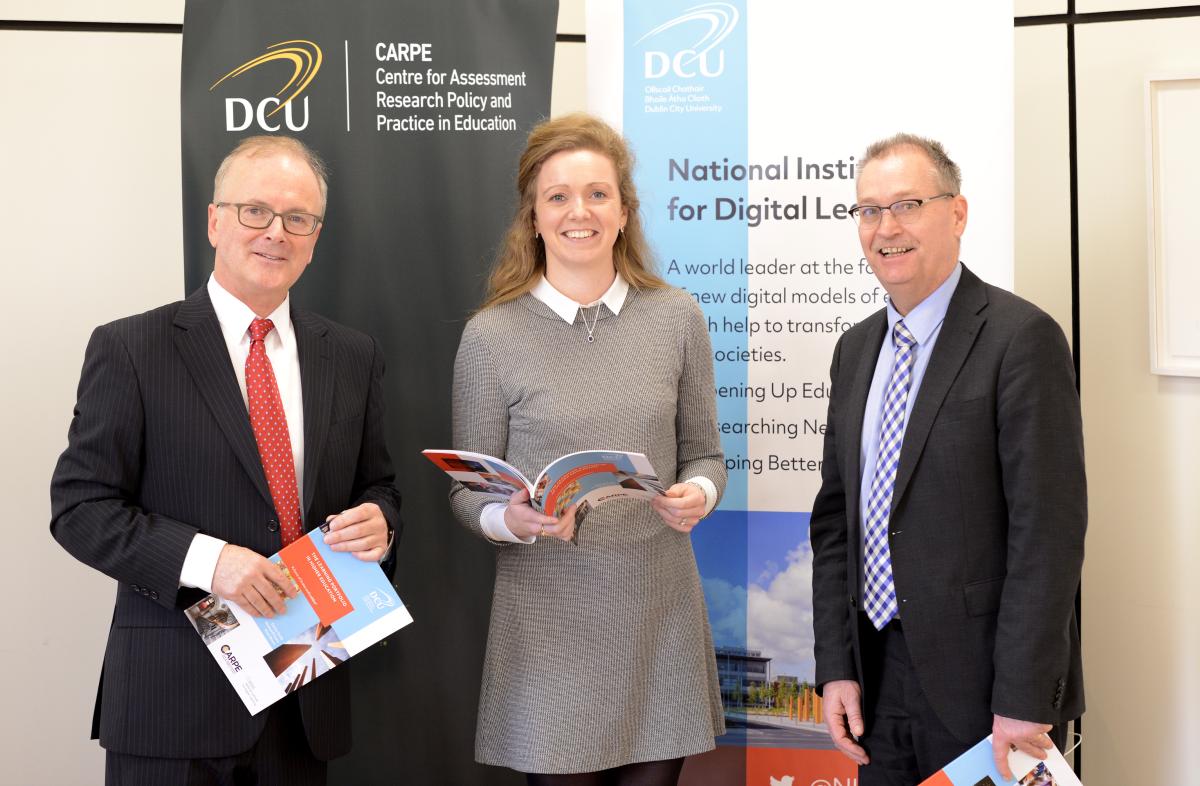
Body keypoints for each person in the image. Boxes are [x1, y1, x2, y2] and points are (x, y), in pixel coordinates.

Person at [50, 135, 403, 786]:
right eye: (255, 212)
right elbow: (79, 509)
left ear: (315, 235)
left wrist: (381, 526)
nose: (276, 232)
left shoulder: (352, 356)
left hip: (303, 698)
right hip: (173, 707)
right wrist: (214, 564)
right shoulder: (133, 348)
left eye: (298, 218)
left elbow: (377, 485)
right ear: (215, 221)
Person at [449, 113, 726, 786]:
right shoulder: (490, 337)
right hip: (548, 622)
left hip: (657, 611)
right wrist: (508, 519)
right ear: (534, 218)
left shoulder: (677, 317)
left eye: (598, 194)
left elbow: (706, 454)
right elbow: (465, 490)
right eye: (559, 196)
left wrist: (700, 494)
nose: (581, 212)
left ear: (625, 212)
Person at [808, 133, 1086, 784]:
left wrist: (1021, 694)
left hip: (986, 690)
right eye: (869, 210)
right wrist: (837, 664)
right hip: (875, 678)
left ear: (956, 214)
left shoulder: (1022, 340)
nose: (886, 228)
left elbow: (1047, 534)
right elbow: (835, 522)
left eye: (906, 204)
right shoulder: (856, 350)